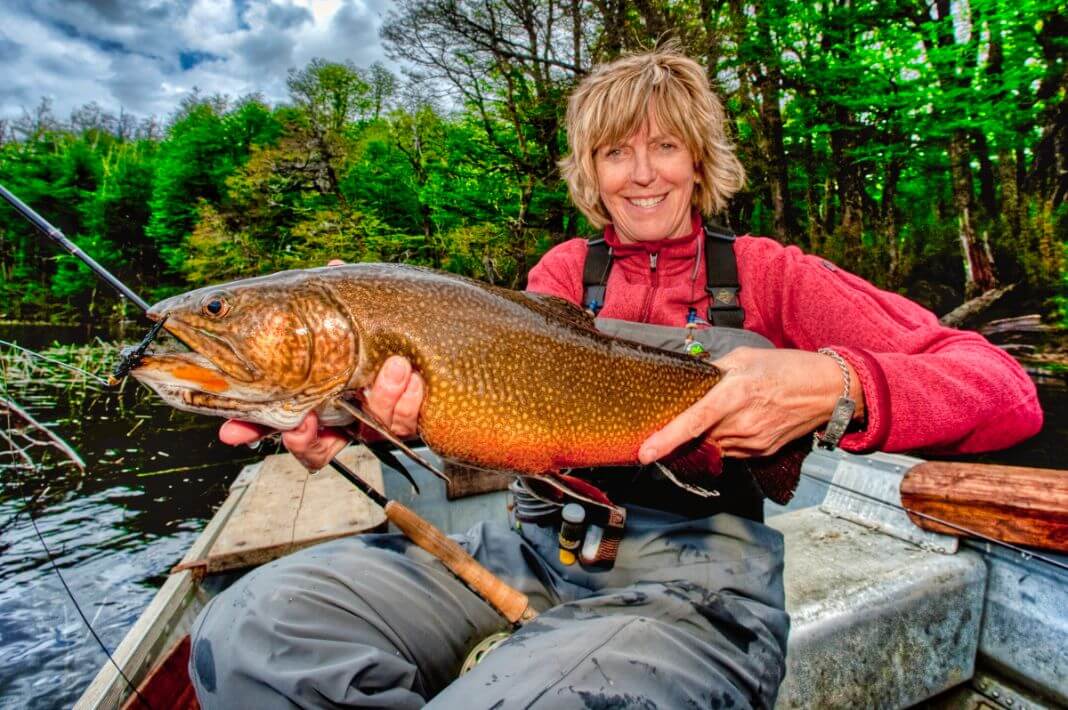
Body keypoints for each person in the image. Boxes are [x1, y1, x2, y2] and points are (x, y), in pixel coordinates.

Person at [192, 49, 1043, 708]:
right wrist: (351, 406)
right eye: (614, 153)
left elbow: (1004, 389)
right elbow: (485, 413)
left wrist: (837, 385)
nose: (641, 175)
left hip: (698, 574)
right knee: (249, 632)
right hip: (532, 544)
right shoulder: (561, 273)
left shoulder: (771, 274)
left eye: (665, 147)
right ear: (587, 169)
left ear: (700, 159)